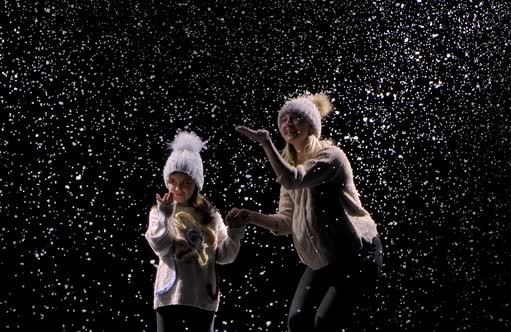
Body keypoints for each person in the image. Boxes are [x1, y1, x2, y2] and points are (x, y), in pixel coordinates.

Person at [227, 93, 383, 331]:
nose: (288, 124)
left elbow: (294, 180)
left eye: (296, 118)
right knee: (297, 320)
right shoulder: (289, 169)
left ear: (311, 125)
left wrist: (266, 143)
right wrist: (250, 216)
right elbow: (285, 222)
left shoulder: (331, 157)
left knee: (326, 321)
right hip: (323, 257)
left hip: (356, 253)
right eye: (284, 119)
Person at [145, 131, 245, 332]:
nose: (178, 188)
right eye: (173, 181)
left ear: (196, 184)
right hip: (170, 297)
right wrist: (166, 215)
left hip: (202, 298)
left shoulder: (210, 214)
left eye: (186, 182)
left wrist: (235, 231)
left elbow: (225, 256)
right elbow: (160, 247)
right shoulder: (160, 210)